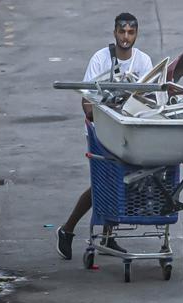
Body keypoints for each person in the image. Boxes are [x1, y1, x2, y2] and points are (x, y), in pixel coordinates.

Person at [56, 13, 154, 260]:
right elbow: (86, 102)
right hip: (103, 130)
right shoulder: (101, 59)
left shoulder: (143, 61)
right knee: (104, 182)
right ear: (114, 33)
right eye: (122, 32)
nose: (126, 37)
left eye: (131, 32)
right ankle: (68, 229)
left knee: (125, 180)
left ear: (136, 34)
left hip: (131, 131)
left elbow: (151, 99)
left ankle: (109, 234)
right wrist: (106, 113)